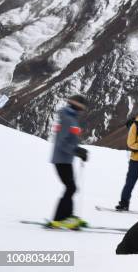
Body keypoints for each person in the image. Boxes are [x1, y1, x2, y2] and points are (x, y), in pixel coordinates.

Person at [48, 95, 89, 229]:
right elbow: (61, 143)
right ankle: (59, 219)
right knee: (70, 187)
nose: (83, 110)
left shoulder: (71, 117)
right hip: (61, 159)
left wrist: (78, 150)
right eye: (82, 107)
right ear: (77, 105)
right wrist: (76, 151)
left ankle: (68, 217)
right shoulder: (67, 119)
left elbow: (69, 141)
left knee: (71, 187)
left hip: (65, 159)